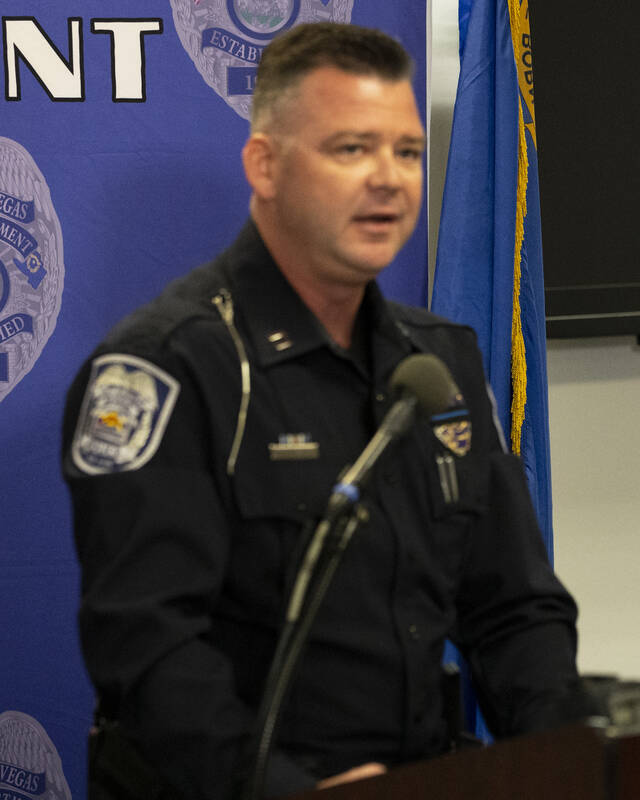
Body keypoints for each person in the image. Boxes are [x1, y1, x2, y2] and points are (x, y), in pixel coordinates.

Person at [61, 22, 587, 799]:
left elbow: (514, 608)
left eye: (407, 152)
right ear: (265, 165)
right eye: (352, 149)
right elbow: (150, 651)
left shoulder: (437, 365)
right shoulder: (167, 367)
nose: (390, 179)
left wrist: (568, 766)